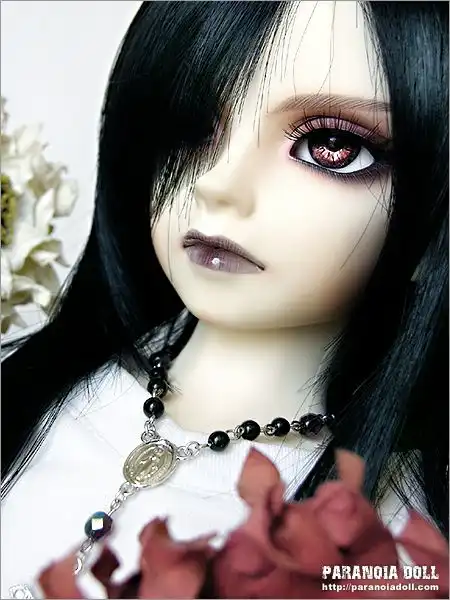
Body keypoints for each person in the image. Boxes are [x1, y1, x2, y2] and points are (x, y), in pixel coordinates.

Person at [1, 1, 448, 598]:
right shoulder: (30, 387)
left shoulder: (395, 557)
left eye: (330, 146)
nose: (218, 184)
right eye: (193, 120)